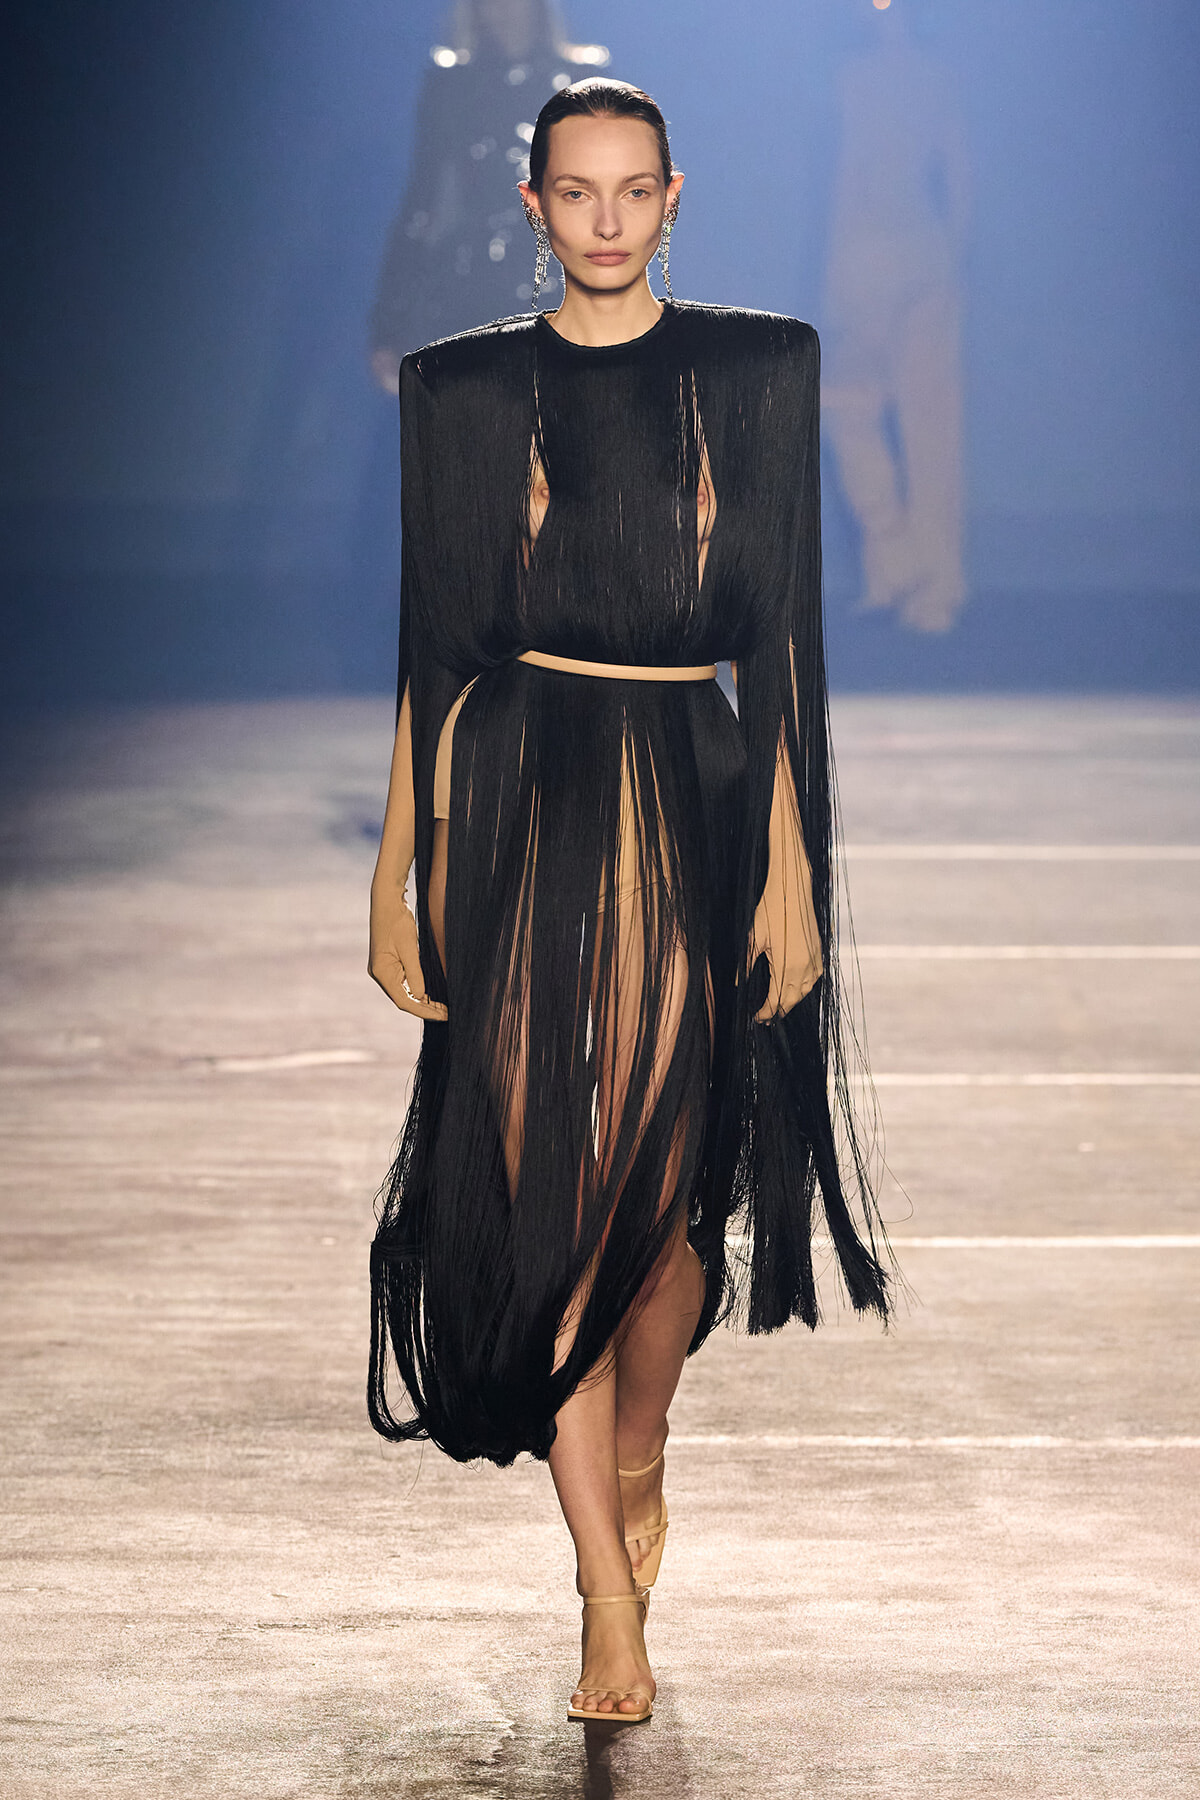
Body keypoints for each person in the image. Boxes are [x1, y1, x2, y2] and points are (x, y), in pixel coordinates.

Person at [367, 78, 893, 1723]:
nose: (604, 218)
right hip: (522, 790)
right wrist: (398, 866)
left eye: (631, 190)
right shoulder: (465, 389)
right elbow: (434, 652)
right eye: (573, 192)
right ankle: (606, 1595)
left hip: (695, 783)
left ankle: (646, 1434)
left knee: (661, 1217)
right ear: (533, 206)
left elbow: (787, 636)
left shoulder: (756, 372)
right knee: (550, 1203)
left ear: (675, 199)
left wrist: (800, 866)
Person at [369, 0, 610, 391]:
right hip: (472, 286)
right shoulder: (452, 83)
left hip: (559, 282)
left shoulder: (584, 79)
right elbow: (422, 200)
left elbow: (613, 203)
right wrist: (389, 321)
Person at [823, 0, 971, 631]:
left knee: (914, 417)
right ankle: (905, 566)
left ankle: (924, 577)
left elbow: (959, 169)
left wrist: (951, 259)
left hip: (893, 253)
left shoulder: (915, 73)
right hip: (888, 253)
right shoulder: (855, 74)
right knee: (858, 406)